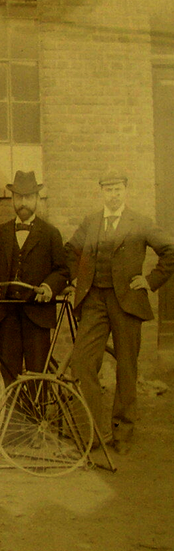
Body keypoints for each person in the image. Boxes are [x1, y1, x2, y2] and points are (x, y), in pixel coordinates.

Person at [67, 169, 174, 453]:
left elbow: (170, 250)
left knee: (126, 368)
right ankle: (92, 432)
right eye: (108, 190)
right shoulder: (91, 222)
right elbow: (70, 251)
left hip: (127, 302)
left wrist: (150, 281)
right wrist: (75, 278)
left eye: (117, 190)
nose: (113, 195)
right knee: (82, 363)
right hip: (94, 301)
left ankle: (122, 433)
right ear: (101, 192)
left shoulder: (139, 222)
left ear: (125, 191)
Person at [0, 171, 70, 383]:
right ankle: (10, 405)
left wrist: (48, 287)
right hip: (7, 314)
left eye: (28, 197)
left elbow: (62, 270)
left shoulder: (50, 233)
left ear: (37, 199)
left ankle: (37, 406)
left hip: (37, 314)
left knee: (37, 374)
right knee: (7, 373)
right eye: (19, 197)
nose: (23, 202)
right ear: (12, 199)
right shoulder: (1, 232)